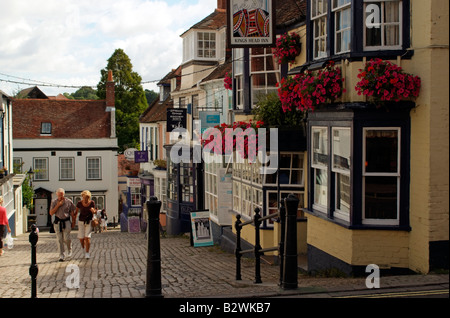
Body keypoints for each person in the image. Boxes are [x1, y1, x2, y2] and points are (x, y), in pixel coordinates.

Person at [49, 188, 76, 262]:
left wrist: (73, 221)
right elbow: (51, 213)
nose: (61, 196)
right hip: (58, 222)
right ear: (57, 195)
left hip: (66, 221)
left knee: (66, 238)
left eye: (62, 195)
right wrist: (58, 205)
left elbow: (72, 212)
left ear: (64, 194)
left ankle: (69, 249)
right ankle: (61, 255)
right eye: (59, 195)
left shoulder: (68, 201)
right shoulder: (54, 202)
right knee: (59, 239)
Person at [73, 190, 96, 259]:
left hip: (89, 221)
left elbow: (94, 211)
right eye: (84, 197)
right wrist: (73, 221)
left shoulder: (92, 203)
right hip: (81, 221)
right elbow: (76, 212)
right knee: (81, 238)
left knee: (87, 237)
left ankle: (87, 252)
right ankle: (83, 248)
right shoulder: (79, 203)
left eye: (87, 198)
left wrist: (93, 211)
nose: (85, 199)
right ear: (82, 197)